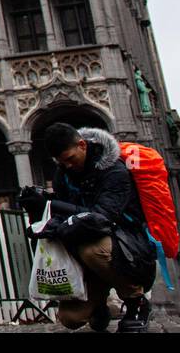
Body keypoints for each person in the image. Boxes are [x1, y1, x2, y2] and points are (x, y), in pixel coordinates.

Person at [19, 123, 154, 333]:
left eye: (70, 159)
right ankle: (99, 305)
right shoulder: (63, 172)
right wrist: (40, 216)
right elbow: (62, 213)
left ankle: (137, 301)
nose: (68, 165)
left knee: (92, 250)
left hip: (126, 249)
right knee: (69, 318)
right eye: (61, 162)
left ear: (82, 145)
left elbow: (102, 217)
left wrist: (53, 205)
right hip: (85, 253)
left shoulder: (114, 171)